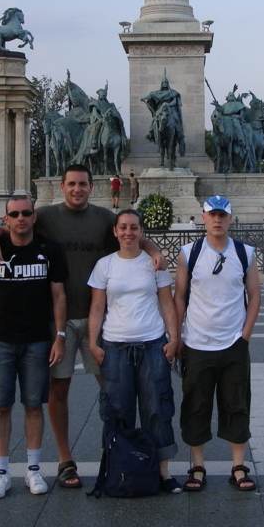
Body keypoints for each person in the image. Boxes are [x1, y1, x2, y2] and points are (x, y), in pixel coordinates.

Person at [0, 165, 165, 490]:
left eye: (82, 184)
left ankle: (118, 453)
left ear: (91, 187)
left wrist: (154, 251)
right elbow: (11, 222)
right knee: (58, 390)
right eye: (71, 184)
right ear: (62, 187)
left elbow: (133, 232)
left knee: (113, 390)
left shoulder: (104, 218)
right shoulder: (45, 215)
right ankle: (65, 459)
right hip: (58, 322)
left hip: (100, 320)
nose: (77, 189)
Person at [0, 197, 67, 499]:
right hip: (0, 339)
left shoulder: (50, 249)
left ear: (34, 217)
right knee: (0, 407)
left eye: (26, 212)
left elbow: (59, 295)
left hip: (37, 339)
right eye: (14, 214)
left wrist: (60, 336)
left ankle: (33, 468)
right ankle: (1, 471)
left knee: (34, 406)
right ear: (7, 219)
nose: (21, 218)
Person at [87, 209, 182, 493]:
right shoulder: (104, 265)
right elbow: (97, 307)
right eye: (123, 227)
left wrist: (174, 338)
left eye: (134, 227)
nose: (128, 232)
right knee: (116, 410)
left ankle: (163, 473)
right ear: (115, 231)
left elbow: (167, 303)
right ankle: (118, 468)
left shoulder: (154, 264)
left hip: (152, 344)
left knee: (157, 409)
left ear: (141, 232)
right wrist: (93, 342)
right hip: (115, 346)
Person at [174, 196, 262, 492]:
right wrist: (177, 336)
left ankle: (238, 465)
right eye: (212, 215)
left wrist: (245, 335)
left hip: (233, 343)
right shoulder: (189, 253)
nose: (217, 220)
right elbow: (180, 297)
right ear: (203, 217)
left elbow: (255, 295)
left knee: (237, 404)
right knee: (195, 405)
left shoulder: (245, 252)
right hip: (197, 343)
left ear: (230, 218)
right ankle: (198, 465)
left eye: (222, 215)